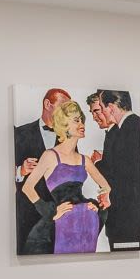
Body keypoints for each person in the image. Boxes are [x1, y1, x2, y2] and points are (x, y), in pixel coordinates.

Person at [21, 95, 104, 255]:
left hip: (86, 222)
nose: (82, 124)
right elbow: (27, 187)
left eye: (82, 120)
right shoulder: (50, 155)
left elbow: (107, 187)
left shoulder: (85, 159)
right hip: (62, 223)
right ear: (64, 126)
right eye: (76, 120)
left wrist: (97, 205)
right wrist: (50, 211)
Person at [14, 88, 66, 254]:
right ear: (47, 104)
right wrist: (20, 170)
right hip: (28, 214)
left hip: (58, 215)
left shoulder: (67, 138)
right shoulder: (20, 133)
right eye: (63, 107)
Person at [87, 90, 140, 251]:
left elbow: (126, 176)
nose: (97, 116)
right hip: (120, 220)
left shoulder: (128, 128)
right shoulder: (116, 131)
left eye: (99, 109)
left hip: (126, 220)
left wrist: (97, 163)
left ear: (110, 107)